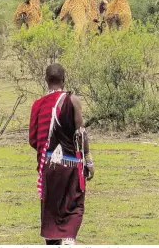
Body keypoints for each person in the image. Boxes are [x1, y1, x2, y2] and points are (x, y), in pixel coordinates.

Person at [29, 63, 95, 245]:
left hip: (48, 165)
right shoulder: (72, 100)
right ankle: (68, 239)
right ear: (64, 80)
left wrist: (48, 154)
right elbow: (80, 133)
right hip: (72, 165)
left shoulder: (37, 105)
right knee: (73, 205)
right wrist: (88, 160)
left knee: (51, 208)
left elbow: (33, 140)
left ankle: (54, 241)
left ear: (46, 80)